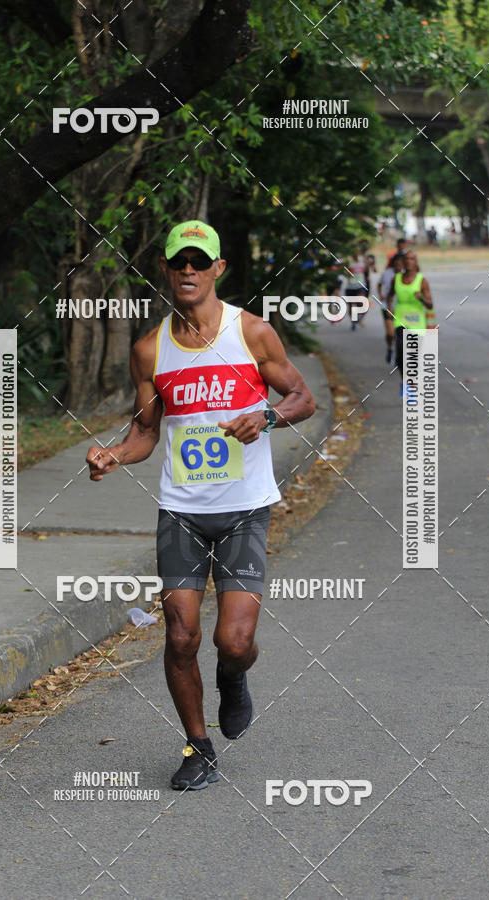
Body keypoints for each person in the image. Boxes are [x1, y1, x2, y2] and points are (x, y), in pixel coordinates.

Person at [86, 221, 315, 791]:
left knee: (232, 643)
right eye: (178, 261)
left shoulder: (253, 333)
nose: (188, 269)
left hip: (243, 509)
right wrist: (115, 454)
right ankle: (198, 746)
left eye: (199, 260)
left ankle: (233, 678)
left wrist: (264, 416)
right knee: (180, 635)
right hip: (181, 512)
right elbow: (145, 434)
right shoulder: (150, 349)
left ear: (218, 269)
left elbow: (302, 398)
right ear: (165, 269)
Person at [387, 249, 433, 395]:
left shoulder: (422, 281)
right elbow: (390, 295)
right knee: (401, 353)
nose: (408, 261)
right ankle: (406, 383)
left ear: (416, 262)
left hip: (417, 322)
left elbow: (430, 305)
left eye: (412, 259)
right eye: (406, 259)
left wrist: (421, 298)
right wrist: (389, 308)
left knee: (413, 356)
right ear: (403, 262)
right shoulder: (396, 279)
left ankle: (412, 384)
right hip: (400, 320)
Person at [377, 253, 404, 364]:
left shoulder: (406, 275)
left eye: (400, 264)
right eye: (396, 264)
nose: (398, 266)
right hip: (387, 308)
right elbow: (379, 284)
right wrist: (381, 295)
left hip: (401, 309)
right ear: (393, 264)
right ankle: (389, 348)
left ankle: (398, 357)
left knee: (400, 336)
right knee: (391, 334)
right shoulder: (387, 274)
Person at [345, 246, 368, 330]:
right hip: (350, 286)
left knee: (362, 302)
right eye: (354, 252)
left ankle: (360, 317)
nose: (356, 253)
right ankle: (353, 322)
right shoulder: (348, 261)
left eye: (357, 252)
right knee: (351, 306)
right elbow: (345, 273)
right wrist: (348, 271)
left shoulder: (363, 260)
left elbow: (367, 270)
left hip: (360, 285)